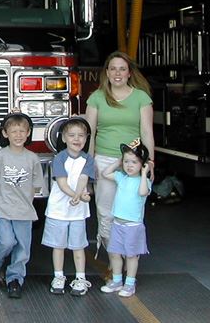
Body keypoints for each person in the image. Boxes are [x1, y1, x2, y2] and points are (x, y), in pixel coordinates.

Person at [86, 51, 154, 253]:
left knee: (131, 214)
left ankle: (129, 266)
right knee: (106, 214)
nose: (118, 73)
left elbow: (147, 132)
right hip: (104, 161)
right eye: (113, 68)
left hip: (133, 164)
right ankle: (115, 265)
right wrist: (89, 166)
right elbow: (89, 134)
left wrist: (149, 162)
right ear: (107, 72)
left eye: (122, 69)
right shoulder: (96, 98)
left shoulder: (141, 98)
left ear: (129, 73)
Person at [0, 111, 43, 298]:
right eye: (14, 131)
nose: (18, 135)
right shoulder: (0, 157)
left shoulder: (33, 158)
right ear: (5, 134)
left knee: (22, 247)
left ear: (28, 134)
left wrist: (28, 204)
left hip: (24, 210)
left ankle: (15, 279)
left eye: (22, 131)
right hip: (2, 207)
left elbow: (35, 187)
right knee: (6, 240)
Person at [41, 117, 95, 296]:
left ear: (86, 138)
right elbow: (62, 183)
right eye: (71, 135)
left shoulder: (88, 159)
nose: (76, 139)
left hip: (78, 212)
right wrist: (77, 196)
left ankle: (80, 278)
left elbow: (83, 179)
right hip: (58, 210)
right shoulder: (59, 158)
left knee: (78, 246)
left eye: (81, 135)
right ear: (63, 138)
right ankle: (59, 276)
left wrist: (81, 195)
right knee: (59, 246)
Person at [100, 138, 152, 298]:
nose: (129, 165)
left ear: (142, 164)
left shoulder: (145, 182)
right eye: (127, 161)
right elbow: (105, 173)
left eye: (134, 162)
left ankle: (130, 283)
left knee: (131, 255)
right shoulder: (122, 178)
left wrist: (144, 173)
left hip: (133, 226)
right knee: (115, 253)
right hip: (117, 223)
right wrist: (118, 161)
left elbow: (143, 192)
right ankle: (117, 281)